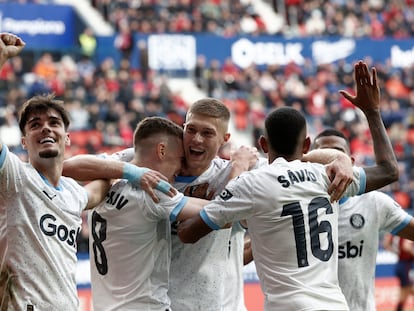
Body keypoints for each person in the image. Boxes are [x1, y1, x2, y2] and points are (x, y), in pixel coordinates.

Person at [177, 61, 399, 311]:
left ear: (262, 144)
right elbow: (389, 171)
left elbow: (187, 233)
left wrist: (186, 199)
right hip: (336, 305)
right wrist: (372, 112)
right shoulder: (327, 177)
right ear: (306, 145)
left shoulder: (251, 183)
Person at [0, 32, 170, 310]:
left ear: (67, 138)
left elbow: (101, 185)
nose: (45, 127)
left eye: (54, 123)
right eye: (34, 125)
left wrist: (129, 167)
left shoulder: (71, 194)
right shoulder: (15, 178)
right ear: (23, 142)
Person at [86, 116, 213, 310]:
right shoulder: (152, 193)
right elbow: (221, 214)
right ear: (161, 150)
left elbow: (67, 166)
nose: (180, 169)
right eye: (180, 158)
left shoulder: (106, 181)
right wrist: (237, 170)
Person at [312, 128, 414, 311]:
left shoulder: (373, 203)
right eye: (321, 154)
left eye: (337, 153)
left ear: (350, 162)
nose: (329, 160)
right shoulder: (295, 207)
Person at [383, 234, 414, 311]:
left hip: (400, 264)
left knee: (405, 290)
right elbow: (406, 246)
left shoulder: (397, 232)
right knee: (406, 289)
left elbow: (386, 244)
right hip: (406, 265)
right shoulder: (408, 231)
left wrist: (397, 252)